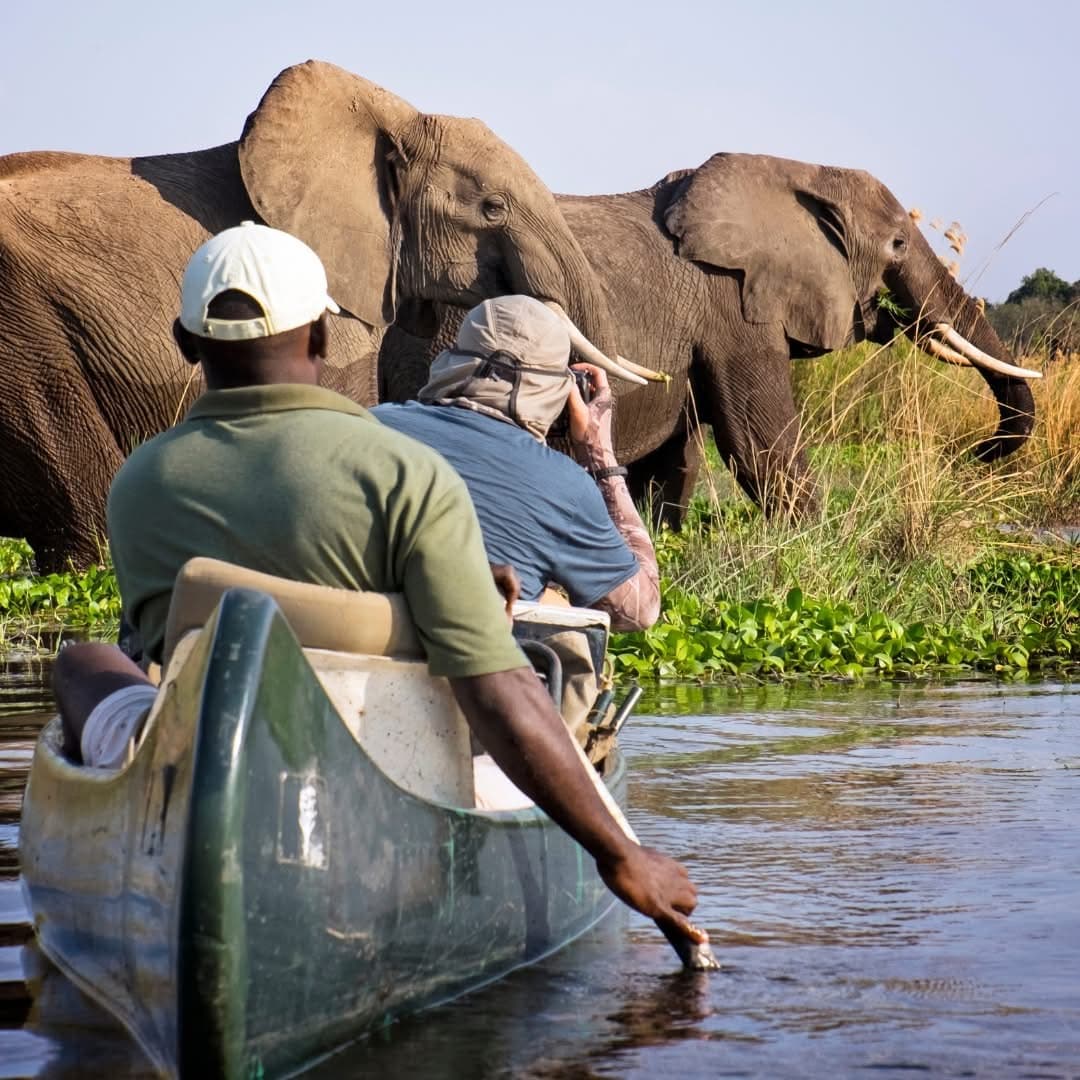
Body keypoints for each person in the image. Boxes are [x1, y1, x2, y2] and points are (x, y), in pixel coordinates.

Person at [53, 222, 701, 946]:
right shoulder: (401, 472)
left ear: (183, 341)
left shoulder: (139, 482)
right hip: (377, 768)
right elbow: (496, 686)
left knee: (83, 662)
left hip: (204, 768)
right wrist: (621, 852)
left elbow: (156, 645)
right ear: (324, 340)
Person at [372, 296, 660, 631]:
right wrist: (600, 456)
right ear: (560, 391)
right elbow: (640, 611)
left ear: (452, 359)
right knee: (559, 614)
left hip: (356, 650)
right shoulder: (565, 485)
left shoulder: (370, 425)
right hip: (476, 674)